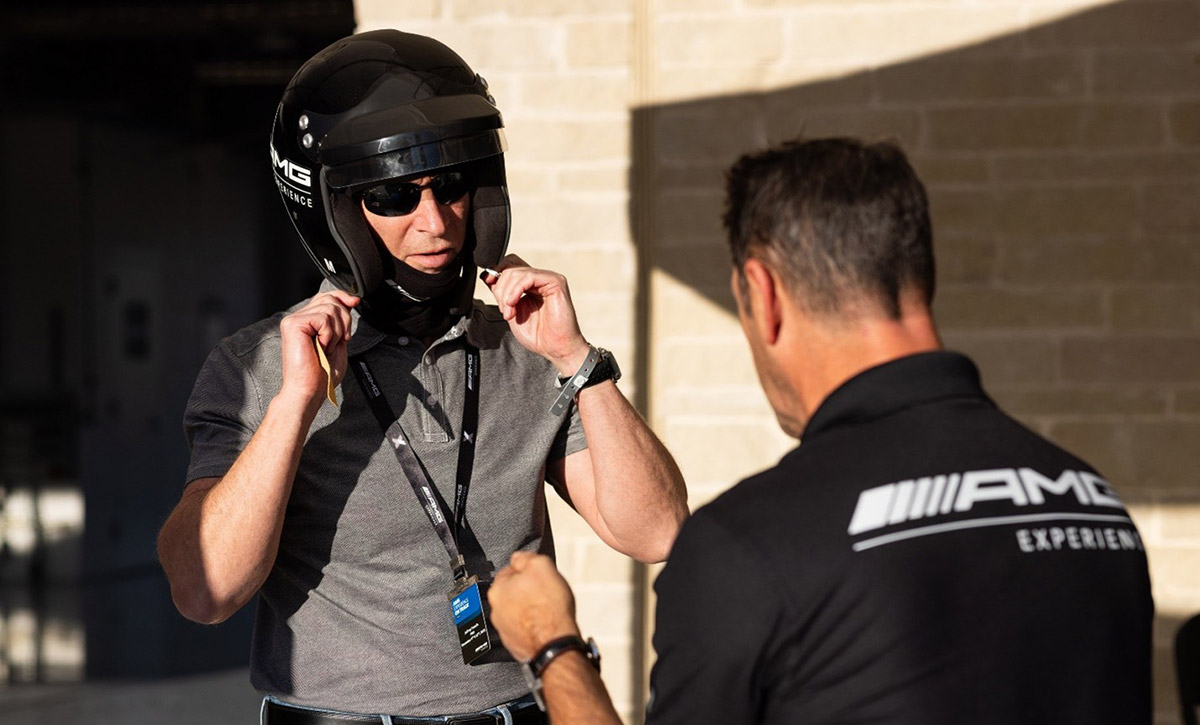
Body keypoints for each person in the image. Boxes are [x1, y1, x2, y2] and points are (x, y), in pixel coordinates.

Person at [487, 136, 1154, 724]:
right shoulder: (1095, 504)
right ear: (919, 273)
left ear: (763, 292)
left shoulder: (746, 548)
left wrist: (553, 647)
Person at [155, 29, 688, 724]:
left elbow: (658, 532)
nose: (434, 222)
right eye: (394, 196)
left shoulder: (527, 348)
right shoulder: (256, 366)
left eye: (452, 187)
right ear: (335, 211)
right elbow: (204, 591)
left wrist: (577, 360)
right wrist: (296, 402)